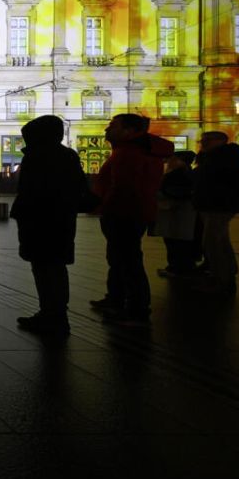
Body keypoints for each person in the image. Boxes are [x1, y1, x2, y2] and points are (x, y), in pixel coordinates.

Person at [89, 113, 174, 327]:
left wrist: (101, 205)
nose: (106, 130)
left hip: (123, 213)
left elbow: (123, 188)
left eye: (113, 126)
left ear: (130, 131)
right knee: (120, 258)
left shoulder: (130, 153)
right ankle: (117, 299)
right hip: (127, 212)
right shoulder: (132, 151)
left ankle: (136, 310)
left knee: (128, 261)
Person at [10, 116, 88, 337]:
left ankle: (52, 317)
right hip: (60, 221)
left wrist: (24, 212)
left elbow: (31, 191)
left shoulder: (39, 156)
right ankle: (54, 315)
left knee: (46, 270)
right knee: (54, 269)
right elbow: (79, 186)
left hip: (41, 222)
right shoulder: (67, 155)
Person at [192, 131, 239, 294]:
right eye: (202, 140)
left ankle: (222, 280)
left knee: (214, 243)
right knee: (219, 242)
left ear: (221, 141)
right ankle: (226, 273)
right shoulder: (211, 158)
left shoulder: (227, 159)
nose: (203, 143)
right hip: (211, 205)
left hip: (219, 205)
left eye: (207, 140)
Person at [153, 151, 200, 277]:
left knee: (175, 241)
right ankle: (183, 266)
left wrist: (161, 194)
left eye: (173, 159)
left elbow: (172, 191)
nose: (169, 161)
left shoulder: (176, 174)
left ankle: (177, 268)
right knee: (181, 240)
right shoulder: (189, 173)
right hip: (183, 212)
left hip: (175, 211)